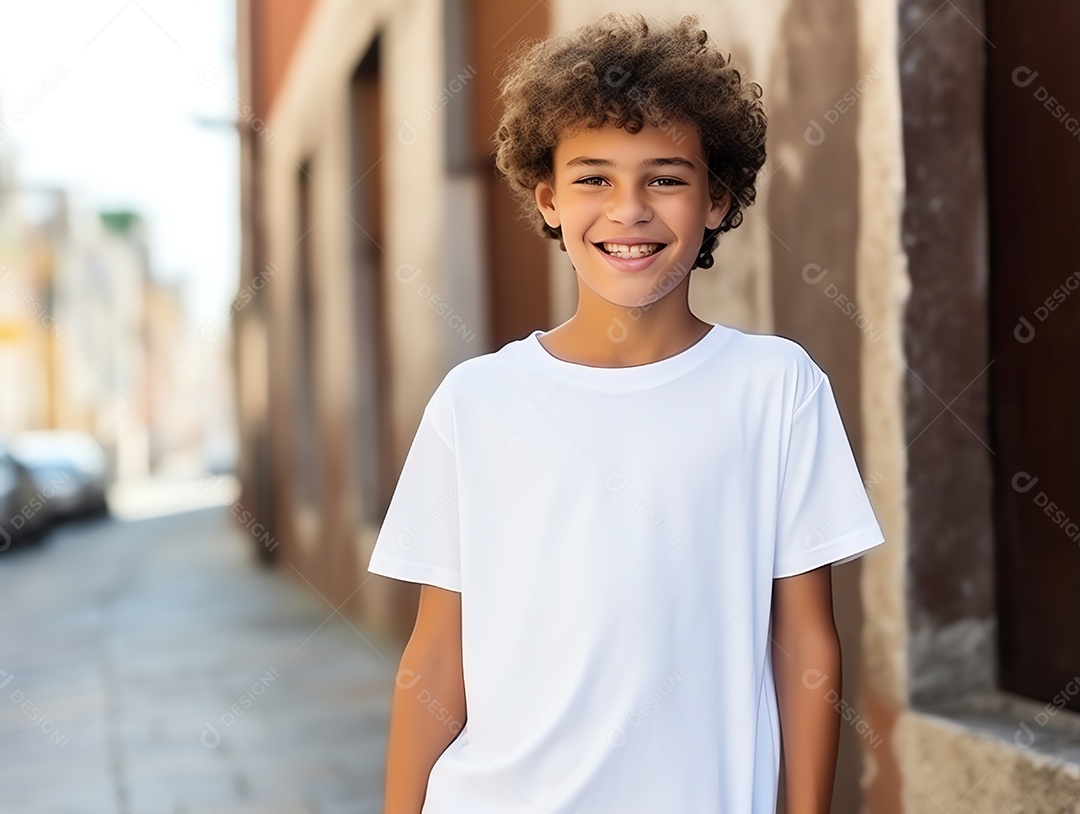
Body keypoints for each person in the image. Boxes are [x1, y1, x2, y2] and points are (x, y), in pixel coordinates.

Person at [367, 12, 885, 813]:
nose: (629, 209)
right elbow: (436, 653)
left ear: (717, 200)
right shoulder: (476, 402)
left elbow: (807, 638)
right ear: (547, 199)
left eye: (666, 178)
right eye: (593, 178)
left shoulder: (777, 388)